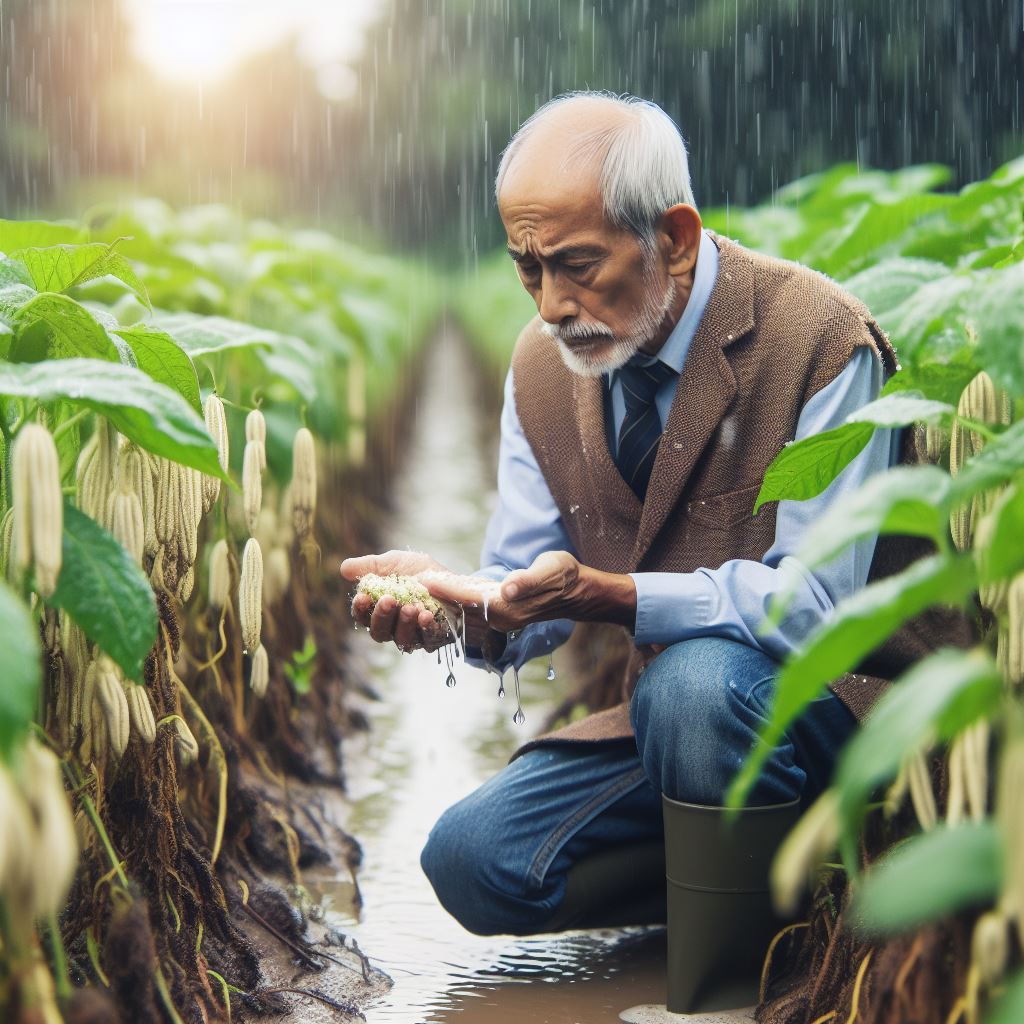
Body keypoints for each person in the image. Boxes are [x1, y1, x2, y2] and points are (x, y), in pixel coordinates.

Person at [340, 92, 965, 939]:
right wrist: (463, 611)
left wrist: (620, 596)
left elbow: (817, 611)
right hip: (684, 730)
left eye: (578, 265)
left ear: (672, 238)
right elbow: (524, 577)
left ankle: (749, 960)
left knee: (692, 685)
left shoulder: (818, 338)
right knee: (475, 859)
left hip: (844, 710)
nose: (551, 304)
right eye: (529, 268)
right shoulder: (542, 366)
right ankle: (773, 891)